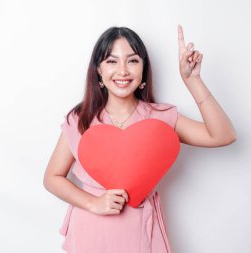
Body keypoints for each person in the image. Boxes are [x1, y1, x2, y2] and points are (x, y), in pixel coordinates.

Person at [43, 25, 236, 253]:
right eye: (112, 61)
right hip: (91, 234)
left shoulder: (161, 117)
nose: (123, 70)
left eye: (132, 61)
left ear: (144, 68)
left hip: (140, 236)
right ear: (98, 70)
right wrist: (93, 203)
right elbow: (52, 177)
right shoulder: (80, 119)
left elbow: (223, 135)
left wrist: (192, 80)